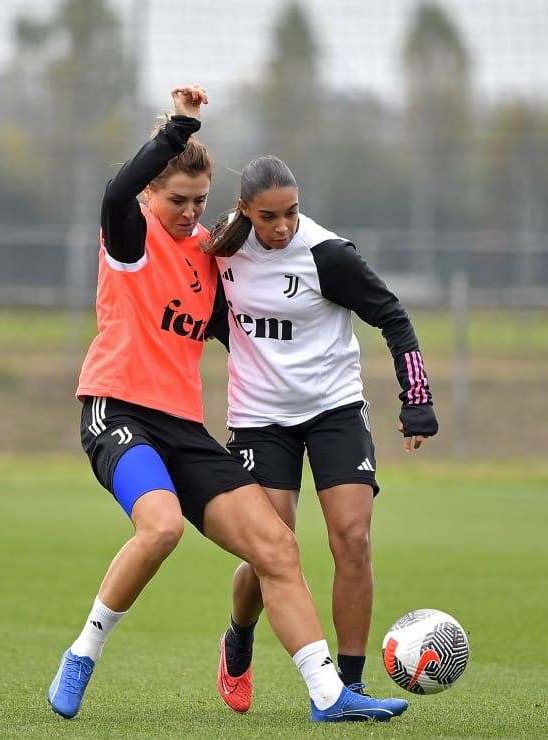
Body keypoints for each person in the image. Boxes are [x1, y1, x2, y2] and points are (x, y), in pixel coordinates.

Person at [47, 85, 408, 724]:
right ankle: (82, 652)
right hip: (117, 412)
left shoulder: (211, 259)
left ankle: (329, 696)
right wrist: (177, 130)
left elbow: (249, 318)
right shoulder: (130, 239)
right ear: (148, 197)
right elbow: (111, 193)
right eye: (176, 200)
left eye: (199, 201)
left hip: (183, 427)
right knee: (159, 528)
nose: (189, 213)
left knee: (277, 547)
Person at [201, 155, 438, 711]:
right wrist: (246, 352)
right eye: (268, 216)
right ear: (244, 211)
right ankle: (238, 638)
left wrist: (417, 398)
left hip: (334, 409)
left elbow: (393, 316)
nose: (282, 226)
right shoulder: (222, 250)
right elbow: (205, 309)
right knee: (273, 548)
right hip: (260, 419)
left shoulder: (327, 255)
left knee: (351, 539)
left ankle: (348, 686)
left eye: (291, 212)